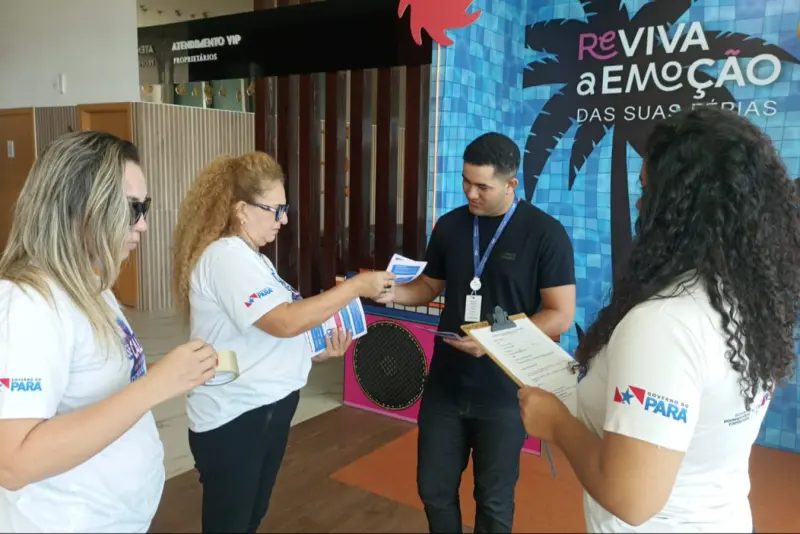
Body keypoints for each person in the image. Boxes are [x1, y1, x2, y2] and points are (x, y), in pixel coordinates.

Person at [518, 107, 800, 533]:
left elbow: (632, 500)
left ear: (682, 208)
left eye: (648, 191)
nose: (638, 202)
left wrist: (555, 422)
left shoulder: (664, 324)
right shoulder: (749, 297)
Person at [0, 131, 218, 533]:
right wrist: (155, 385)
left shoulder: (90, 282)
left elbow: (101, 385)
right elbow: (12, 462)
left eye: (144, 207)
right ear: (79, 207)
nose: (143, 225)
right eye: (133, 208)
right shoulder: (29, 304)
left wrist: (171, 375)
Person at [171, 151, 396, 533]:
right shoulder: (226, 257)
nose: (284, 219)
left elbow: (269, 331)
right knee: (231, 523)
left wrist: (313, 350)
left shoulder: (254, 259)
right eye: (276, 210)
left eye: (284, 209)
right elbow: (283, 321)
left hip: (263, 410)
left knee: (250, 516)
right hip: (236, 416)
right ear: (242, 210)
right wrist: (356, 286)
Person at [377, 132, 576, 532]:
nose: (471, 193)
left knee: (493, 500)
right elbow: (429, 286)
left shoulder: (545, 233)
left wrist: (494, 340)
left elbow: (560, 315)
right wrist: (392, 292)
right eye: (466, 182)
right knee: (433, 490)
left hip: (505, 392)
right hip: (446, 386)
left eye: (482, 187)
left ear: (511, 183)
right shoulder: (451, 226)